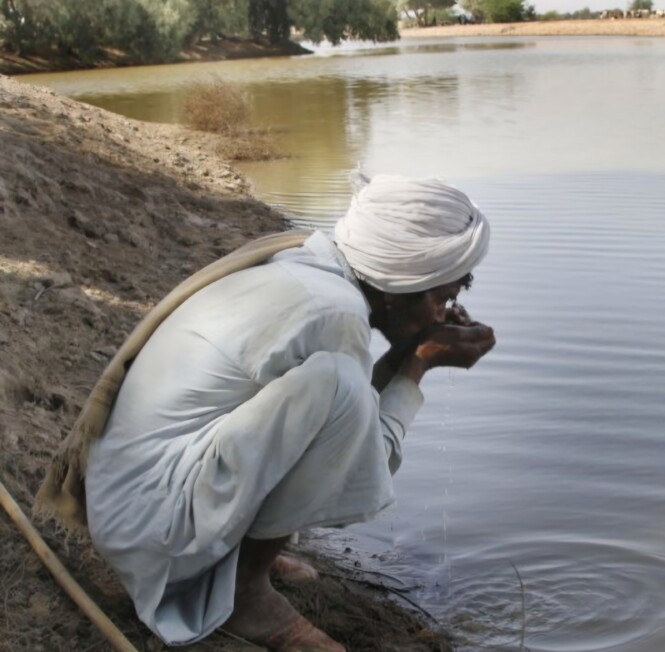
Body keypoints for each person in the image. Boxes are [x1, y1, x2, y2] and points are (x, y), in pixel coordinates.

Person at [82, 174, 495, 651]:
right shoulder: (334, 312)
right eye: (442, 298)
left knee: (336, 388)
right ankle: (245, 592)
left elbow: (339, 425)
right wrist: (417, 364)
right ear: (400, 284)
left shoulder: (305, 267)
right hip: (156, 535)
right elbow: (362, 463)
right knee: (337, 384)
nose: (444, 314)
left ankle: (242, 554)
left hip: (125, 508)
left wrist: (409, 350)